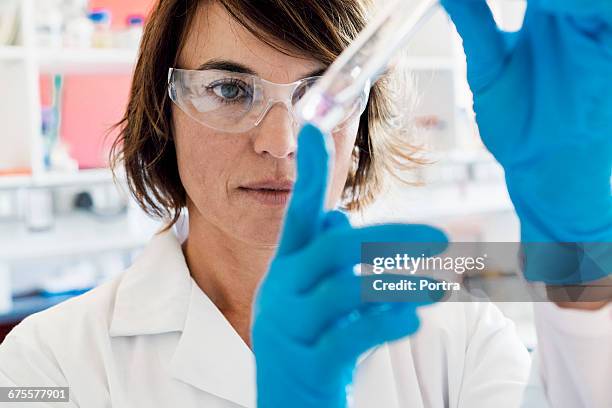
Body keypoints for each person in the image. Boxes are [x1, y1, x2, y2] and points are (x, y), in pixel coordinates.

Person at [0, 1, 610, 407]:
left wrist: (583, 242)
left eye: (323, 91)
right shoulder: (48, 363)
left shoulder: (456, 325)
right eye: (229, 89)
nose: (280, 142)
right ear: (164, 110)